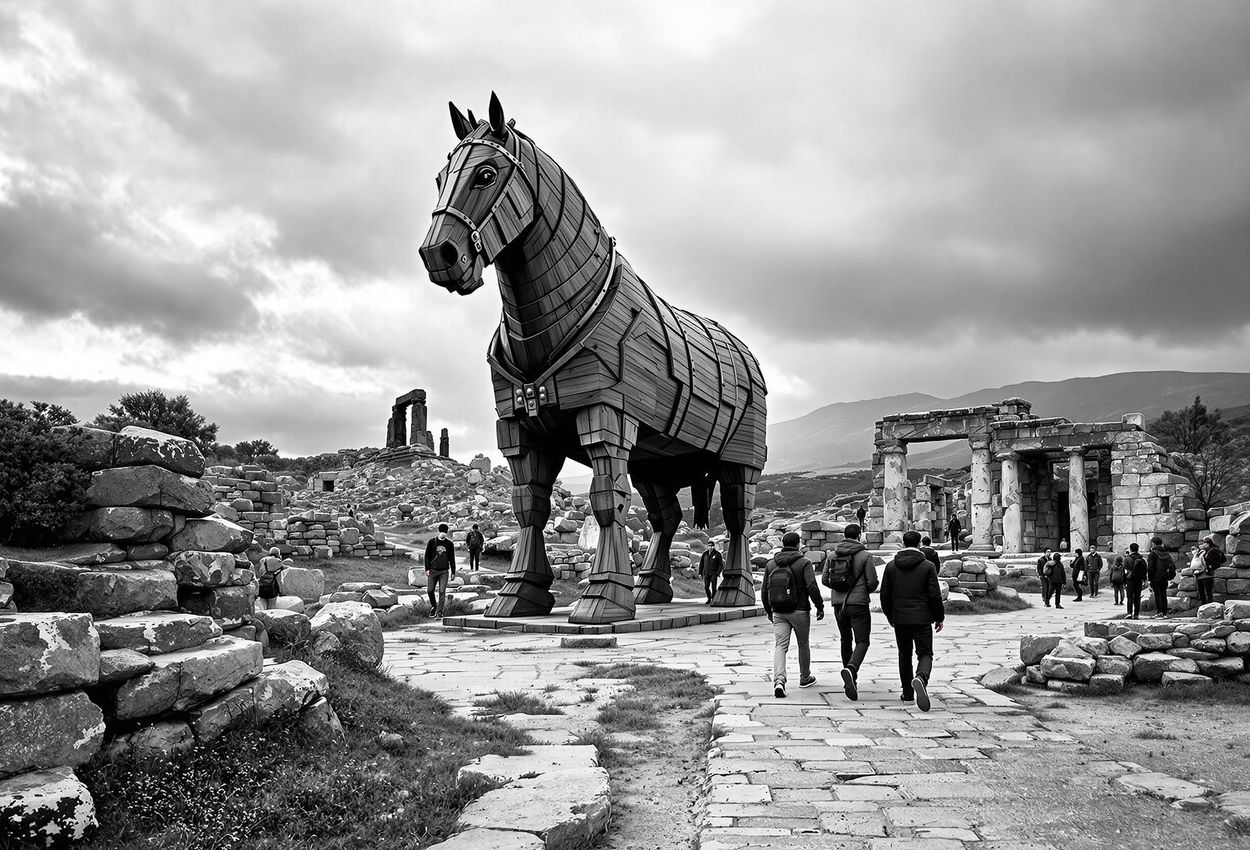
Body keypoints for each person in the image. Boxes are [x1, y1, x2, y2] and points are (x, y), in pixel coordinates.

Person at [881, 530, 945, 711]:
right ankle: (921, 678)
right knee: (925, 653)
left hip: (900, 619)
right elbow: (934, 595)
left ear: (902, 543)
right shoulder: (927, 566)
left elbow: (885, 595)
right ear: (919, 545)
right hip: (922, 618)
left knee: (904, 654)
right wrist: (939, 617)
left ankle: (907, 694)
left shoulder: (891, 566)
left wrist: (890, 616)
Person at [762, 532, 825, 698]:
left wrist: (769, 610)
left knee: (780, 646)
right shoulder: (804, 563)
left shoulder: (771, 564)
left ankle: (779, 681)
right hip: (800, 610)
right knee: (803, 643)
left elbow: (763, 591)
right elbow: (811, 585)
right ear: (798, 545)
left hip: (779, 611)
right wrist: (819, 606)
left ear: (783, 544)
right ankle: (805, 678)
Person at [829, 523, 878, 701]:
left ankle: (851, 681)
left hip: (838, 605)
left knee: (845, 639)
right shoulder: (865, 556)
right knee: (863, 641)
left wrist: (839, 587)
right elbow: (872, 582)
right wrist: (863, 590)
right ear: (859, 536)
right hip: (858, 604)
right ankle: (851, 669)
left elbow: (826, 579)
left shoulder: (833, 555)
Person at [424, 523, 457, 617]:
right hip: (433, 571)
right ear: (438, 531)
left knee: (442, 591)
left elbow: (452, 558)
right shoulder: (432, 542)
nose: (443, 533)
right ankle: (434, 606)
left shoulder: (449, 544)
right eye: (442, 531)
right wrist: (427, 569)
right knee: (430, 590)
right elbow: (427, 556)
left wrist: (453, 572)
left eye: (445, 532)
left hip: (444, 571)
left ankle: (440, 612)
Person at [1146, 536, 1174, 618]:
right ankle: (1164, 613)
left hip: (1155, 577)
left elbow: (1150, 567)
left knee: (1157, 594)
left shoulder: (1153, 554)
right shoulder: (1166, 553)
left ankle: (1159, 612)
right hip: (1164, 577)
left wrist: (1149, 579)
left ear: (1153, 544)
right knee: (1163, 594)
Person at [1196, 536, 1225, 606]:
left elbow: (1216, 561)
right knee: (1202, 591)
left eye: (1205, 544)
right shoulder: (1206, 551)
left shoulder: (1213, 551)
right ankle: (1204, 605)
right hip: (1202, 573)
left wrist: (1210, 567)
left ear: (1208, 544)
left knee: (1208, 591)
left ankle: (1209, 605)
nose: (1203, 545)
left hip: (1208, 573)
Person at [1125, 543, 1148, 619]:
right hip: (1139, 580)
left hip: (1130, 580)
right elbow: (1144, 570)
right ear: (1138, 549)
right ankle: (1136, 614)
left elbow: (1124, 571)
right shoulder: (1142, 559)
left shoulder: (1127, 558)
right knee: (1137, 597)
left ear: (1130, 549)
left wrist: (1124, 581)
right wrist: (1145, 580)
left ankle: (1129, 612)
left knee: (1130, 597)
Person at [699, 539, 725, 603]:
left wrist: (718, 573)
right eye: (709, 546)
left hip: (714, 573)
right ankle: (709, 598)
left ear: (714, 546)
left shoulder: (717, 554)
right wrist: (700, 573)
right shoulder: (705, 554)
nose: (710, 547)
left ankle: (713, 599)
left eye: (711, 546)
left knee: (713, 587)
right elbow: (701, 564)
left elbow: (720, 565)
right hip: (706, 573)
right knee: (706, 587)